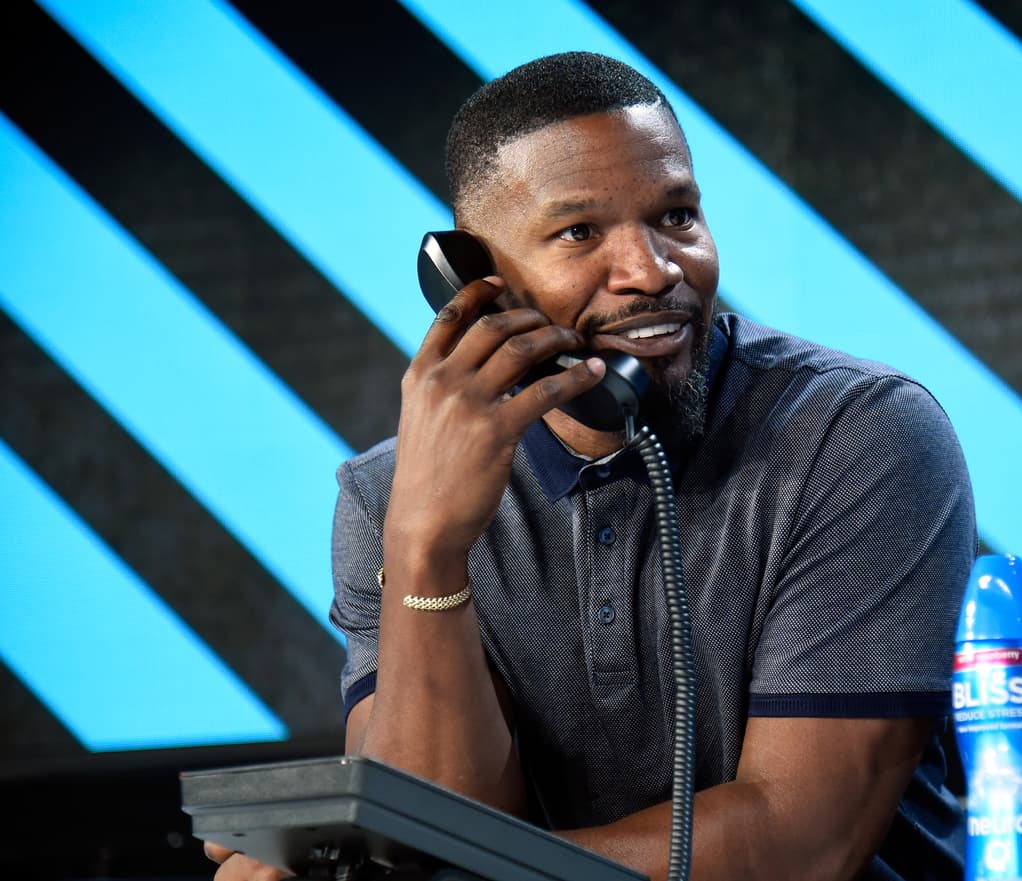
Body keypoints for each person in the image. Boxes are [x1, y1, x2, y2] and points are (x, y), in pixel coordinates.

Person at [208, 51, 976, 881]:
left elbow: (800, 841)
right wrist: (427, 546)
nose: (652, 271)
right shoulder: (388, 501)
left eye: (677, 215)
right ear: (476, 281)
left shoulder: (858, 434)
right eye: (579, 232)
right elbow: (431, 817)